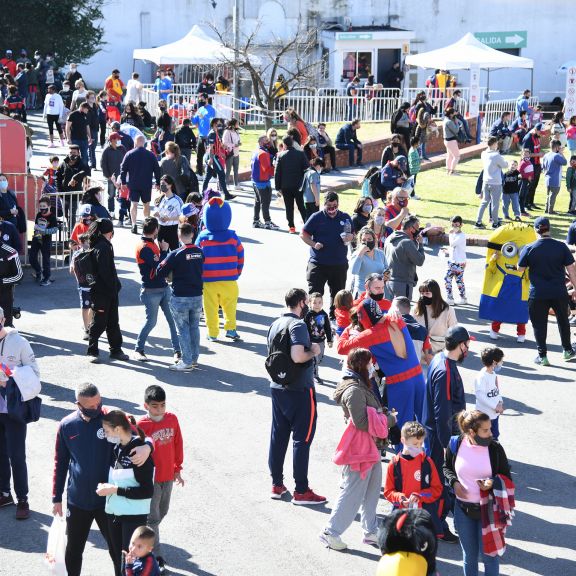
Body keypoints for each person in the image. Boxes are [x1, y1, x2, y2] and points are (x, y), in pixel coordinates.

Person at [52, 382, 152, 576]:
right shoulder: (66, 425)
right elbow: (61, 462)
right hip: (78, 500)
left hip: (108, 502)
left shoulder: (108, 419)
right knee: (73, 551)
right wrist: (56, 497)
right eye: (91, 406)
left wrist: (147, 447)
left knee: (118, 553)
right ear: (78, 404)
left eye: (99, 403)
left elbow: (140, 434)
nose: (97, 409)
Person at [319, 348, 391, 551]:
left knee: (372, 490)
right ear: (361, 365)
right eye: (369, 363)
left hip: (371, 448)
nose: (372, 367)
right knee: (352, 492)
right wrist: (387, 419)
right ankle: (330, 532)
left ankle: (370, 531)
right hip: (360, 451)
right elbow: (360, 421)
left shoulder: (359, 385)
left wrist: (381, 415)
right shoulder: (354, 390)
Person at [267, 288, 326, 505]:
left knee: (278, 436)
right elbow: (298, 356)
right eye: (308, 302)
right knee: (302, 439)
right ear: (302, 302)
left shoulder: (275, 324)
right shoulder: (298, 325)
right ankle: (301, 490)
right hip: (300, 389)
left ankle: (276, 484)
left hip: (277, 386)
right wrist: (315, 351)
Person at [443, 410, 513, 576]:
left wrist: (492, 483)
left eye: (490, 429)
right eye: (486, 430)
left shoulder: (495, 449)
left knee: (490, 557)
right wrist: (454, 482)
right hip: (462, 510)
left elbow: (507, 477)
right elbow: (446, 467)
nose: (491, 433)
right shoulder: (455, 444)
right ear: (471, 432)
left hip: (488, 511)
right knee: (469, 556)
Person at [422, 324, 471, 543]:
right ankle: (438, 526)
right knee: (440, 482)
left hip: (437, 433)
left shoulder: (440, 360)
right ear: (461, 345)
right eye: (467, 345)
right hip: (440, 436)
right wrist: (446, 443)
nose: (468, 349)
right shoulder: (445, 371)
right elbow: (442, 412)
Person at [96, 410, 155, 576]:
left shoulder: (139, 452)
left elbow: (147, 491)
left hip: (132, 517)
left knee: (130, 563)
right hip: (114, 514)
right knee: (117, 558)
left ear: (117, 429)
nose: (105, 435)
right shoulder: (116, 446)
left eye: (107, 431)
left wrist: (114, 490)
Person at [137, 385, 184, 573]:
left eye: (163, 405)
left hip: (168, 476)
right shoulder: (141, 426)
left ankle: (144, 533)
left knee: (162, 511)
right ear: (146, 406)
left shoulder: (172, 419)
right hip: (152, 480)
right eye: (155, 406)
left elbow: (178, 442)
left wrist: (177, 468)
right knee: (153, 519)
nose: (160, 410)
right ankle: (156, 556)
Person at [517, 217, 576, 365]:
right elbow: (571, 269)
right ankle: (567, 350)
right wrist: (575, 288)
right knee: (563, 321)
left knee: (539, 324)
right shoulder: (561, 246)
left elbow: (520, 268)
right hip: (559, 292)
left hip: (538, 294)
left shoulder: (529, 248)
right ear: (549, 229)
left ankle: (542, 356)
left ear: (536, 230)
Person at [0, 307, 40, 520]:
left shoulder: (20, 343)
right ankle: (4, 493)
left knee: (17, 455)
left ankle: (22, 498)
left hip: (13, 410)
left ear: (3, 319)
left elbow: (35, 375)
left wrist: (9, 377)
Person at [156, 223, 204, 370]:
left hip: (181, 296)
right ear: (192, 234)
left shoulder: (176, 253)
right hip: (197, 296)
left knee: (183, 329)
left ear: (179, 235)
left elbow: (160, 270)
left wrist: (164, 253)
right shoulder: (200, 252)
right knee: (194, 327)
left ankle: (187, 361)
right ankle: (194, 358)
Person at [133, 217, 180, 364]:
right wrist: (165, 251)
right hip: (151, 291)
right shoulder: (145, 247)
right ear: (155, 230)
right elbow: (160, 268)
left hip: (163, 289)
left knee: (172, 321)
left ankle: (177, 351)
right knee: (151, 322)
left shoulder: (150, 244)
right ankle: (138, 349)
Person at [196, 198, 244, 342]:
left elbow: (197, 257)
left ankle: (212, 332)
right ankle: (230, 329)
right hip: (229, 279)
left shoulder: (202, 237)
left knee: (210, 307)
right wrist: (237, 272)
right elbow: (241, 256)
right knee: (230, 306)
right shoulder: (233, 237)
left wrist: (199, 275)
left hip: (208, 280)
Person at [383, 422, 443, 535]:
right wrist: (400, 498)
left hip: (422, 520)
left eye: (421, 444)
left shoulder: (427, 462)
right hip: (401, 517)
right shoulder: (394, 464)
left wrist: (420, 496)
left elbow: (436, 490)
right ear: (403, 440)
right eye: (415, 444)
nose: (419, 447)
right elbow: (388, 492)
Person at [301, 192, 353, 318]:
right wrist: (314, 244)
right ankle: (312, 318)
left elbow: (352, 235)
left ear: (338, 204)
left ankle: (335, 318)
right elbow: (304, 234)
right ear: (324, 204)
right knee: (315, 294)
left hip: (339, 263)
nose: (332, 209)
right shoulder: (316, 217)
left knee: (338, 295)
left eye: (334, 205)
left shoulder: (345, 217)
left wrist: (349, 237)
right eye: (329, 206)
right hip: (318, 263)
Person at [86, 219, 129, 363]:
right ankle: (92, 351)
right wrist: (114, 287)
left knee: (112, 322)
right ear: (110, 232)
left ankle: (116, 350)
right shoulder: (102, 247)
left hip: (108, 292)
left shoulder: (102, 244)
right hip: (102, 293)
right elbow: (105, 272)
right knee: (99, 322)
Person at [120, 134, 161, 235]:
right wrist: (158, 182)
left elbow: (123, 169)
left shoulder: (129, 154)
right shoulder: (151, 155)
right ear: (144, 143)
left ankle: (134, 224)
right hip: (146, 184)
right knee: (146, 204)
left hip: (133, 184)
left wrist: (123, 182)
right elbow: (157, 169)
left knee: (134, 204)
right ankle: (146, 224)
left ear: (135, 142)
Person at [384, 215, 425, 300]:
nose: (418, 231)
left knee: (389, 311)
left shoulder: (389, 238)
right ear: (411, 229)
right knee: (402, 312)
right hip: (402, 285)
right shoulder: (407, 242)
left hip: (388, 282)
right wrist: (420, 244)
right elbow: (420, 261)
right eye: (417, 228)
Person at [412, 280, 457, 356]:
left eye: (427, 293)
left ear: (435, 294)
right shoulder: (416, 309)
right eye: (422, 293)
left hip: (439, 353)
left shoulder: (448, 310)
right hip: (420, 353)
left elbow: (454, 332)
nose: (424, 296)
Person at [274, 135, 309, 233]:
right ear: (292, 142)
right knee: (301, 205)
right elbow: (307, 168)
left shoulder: (280, 155)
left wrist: (277, 187)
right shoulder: (300, 154)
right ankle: (307, 226)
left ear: (284, 144)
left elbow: (277, 172)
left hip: (286, 186)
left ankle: (291, 227)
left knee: (289, 207)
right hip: (298, 185)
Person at [475, 137, 508, 230]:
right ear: (493, 144)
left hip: (486, 181)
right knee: (495, 203)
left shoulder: (484, 153)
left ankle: (478, 222)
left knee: (484, 202)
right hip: (495, 182)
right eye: (496, 143)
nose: (497, 145)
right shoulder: (496, 155)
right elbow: (505, 165)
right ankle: (495, 223)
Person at [474, 347, 504, 440]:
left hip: (494, 414)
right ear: (494, 362)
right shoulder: (482, 377)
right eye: (501, 361)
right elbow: (480, 396)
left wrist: (500, 402)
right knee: (485, 439)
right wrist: (495, 406)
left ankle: (493, 453)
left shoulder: (493, 374)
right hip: (485, 416)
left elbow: (496, 391)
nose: (502, 363)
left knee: (494, 435)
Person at [349, 227, 388, 298]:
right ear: (360, 242)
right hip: (362, 293)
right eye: (364, 240)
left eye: (369, 239)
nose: (366, 242)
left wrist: (386, 275)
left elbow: (387, 269)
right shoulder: (357, 254)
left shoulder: (380, 253)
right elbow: (354, 271)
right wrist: (361, 253)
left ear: (374, 240)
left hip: (379, 292)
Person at [202, 117, 235, 201]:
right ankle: (226, 194)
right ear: (214, 124)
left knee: (208, 176)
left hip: (214, 156)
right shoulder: (212, 133)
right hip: (213, 157)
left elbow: (217, 146)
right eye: (218, 123)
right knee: (221, 174)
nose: (220, 125)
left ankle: (202, 194)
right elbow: (211, 147)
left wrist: (222, 153)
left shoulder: (215, 132)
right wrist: (211, 159)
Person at [251, 134, 279, 230]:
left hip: (256, 181)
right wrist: (275, 167)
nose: (268, 142)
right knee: (265, 202)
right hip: (262, 181)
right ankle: (267, 222)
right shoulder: (263, 153)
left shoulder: (256, 152)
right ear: (261, 142)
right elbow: (266, 169)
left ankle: (256, 221)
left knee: (258, 201)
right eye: (266, 140)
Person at [304, 292, 333, 385]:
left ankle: (311, 370)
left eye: (319, 302)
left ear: (322, 303)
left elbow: (328, 328)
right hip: (311, 341)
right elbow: (305, 327)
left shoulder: (324, 315)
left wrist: (329, 339)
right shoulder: (308, 315)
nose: (317, 305)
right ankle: (315, 375)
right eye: (314, 302)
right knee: (314, 360)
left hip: (321, 340)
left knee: (319, 359)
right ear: (310, 303)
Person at [29, 196, 58, 286]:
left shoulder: (52, 217)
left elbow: (55, 229)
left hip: (46, 240)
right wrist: (36, 229)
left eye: (44, 206)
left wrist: (44, 231)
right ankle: (38, 271)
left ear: (49, 206)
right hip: (37, 238)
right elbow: (36, 225)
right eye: (40, 206)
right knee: (32, 258)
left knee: (46, 260)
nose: (42, 208)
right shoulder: (38, 215)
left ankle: (46, 278)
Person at [70, 232, 92, 340]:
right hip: (93, 285)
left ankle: (87, 328)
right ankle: (88, 326)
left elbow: (71, 270)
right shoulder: (94, 252)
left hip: (83, 285)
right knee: (92, 306)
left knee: (85, 307)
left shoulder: (76, 254)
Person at [151, 175, 183, 250]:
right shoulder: (159, 198)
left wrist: (169, 219)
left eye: (164, 184)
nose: (162, 186)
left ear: (170, 185)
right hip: (161, 229)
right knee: (163, 253)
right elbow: (155, 211)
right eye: (161, 184)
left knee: (174, 254)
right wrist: (156, 215)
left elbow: (182, 216)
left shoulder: (177, 200)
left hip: (172, 230)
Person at [100, 132, 127, 218]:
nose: (119, 140)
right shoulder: (106, 151)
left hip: (122, 177)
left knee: (123, 195)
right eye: (118, 139)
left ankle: (124, 212)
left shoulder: (122, 148)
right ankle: (111, 211)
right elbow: (103, 164)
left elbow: (127, 160)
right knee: (111, 195)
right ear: (112, 140)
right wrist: (108, 176)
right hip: (111, 178)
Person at [442, 215, 467, 305]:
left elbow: (452, 243)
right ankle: (450, 297)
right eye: (453, 225)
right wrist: (447, 251)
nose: (454, 227)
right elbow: (453, 248)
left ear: (461, 225)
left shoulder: (462, 236)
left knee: (458, 281)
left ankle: (462, 298)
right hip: (452, 262)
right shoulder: (454, 235)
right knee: (447, 279)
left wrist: (450, 234)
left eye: (456, 225)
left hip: (459, 263)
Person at [521, 123, 544, 211]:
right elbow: (525, 154)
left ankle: (531, 202)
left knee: (534, 185)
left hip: (536, 164)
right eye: (540, 132)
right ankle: (526, 204)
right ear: (536, 130)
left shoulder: (536, 137)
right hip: (530, 165)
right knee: (529, 185)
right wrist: (538, 154)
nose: (541, 134)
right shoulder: (528, 138)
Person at [191, 95, 216, 176]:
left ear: (206, 99)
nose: (201, 101)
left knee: (210, 156)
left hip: (208, 136)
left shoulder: (211, 109)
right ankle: (200, 173)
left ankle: (213, 175)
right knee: (199, 156)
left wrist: (204, 117)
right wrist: (191, 115)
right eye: (199, 100)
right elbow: (195, 121)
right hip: (201, 136)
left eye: (202, 99)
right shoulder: (200, 109)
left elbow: (211, 120)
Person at [542, 139, 567, 214]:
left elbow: (543, 167)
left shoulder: (546, 155)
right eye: (559, 147)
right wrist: (561, 153)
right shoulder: (556, 155)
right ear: (556, 147)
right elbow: (565, 162)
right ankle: (550, 210)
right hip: (555, 179)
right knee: (553, 195)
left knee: (548, 195)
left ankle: (547, 209)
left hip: (547, 178)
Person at [223, 118, 241, 189]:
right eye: (237, 123)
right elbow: (224, 143)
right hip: (230, 153)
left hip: (236, 153)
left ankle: (236, 184)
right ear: (233, 124)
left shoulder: (236, 131)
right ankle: (226, 185)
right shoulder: (227, 132)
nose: (238, 125)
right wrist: (234, 145)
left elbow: (238, 140)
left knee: (236, 169)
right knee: (228, 169)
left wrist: (239, 143)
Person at [443, 107, 461, 175]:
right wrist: (456, 123)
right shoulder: (449, 122)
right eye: (453, 113)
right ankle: (452, 171)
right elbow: (456, 130)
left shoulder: (445, 119)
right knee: (457, 156)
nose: (454, 114)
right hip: (451, 141)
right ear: (450, 114)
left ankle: (448, 170)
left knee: (449, 156)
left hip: (447, 140)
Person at [518, 147, 534, 217]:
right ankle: (521, 211)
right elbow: (519, 173)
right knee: (521, 196)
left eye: (527, 154)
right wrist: (527, 177)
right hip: (523, 182)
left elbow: (531, 172)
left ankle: (523, 210)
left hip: (528, 182)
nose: (526, 156)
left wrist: (531, 178)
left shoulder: (529, 162)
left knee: (524, 196)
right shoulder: (523, 163)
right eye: (525, 155)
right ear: (522, 155)